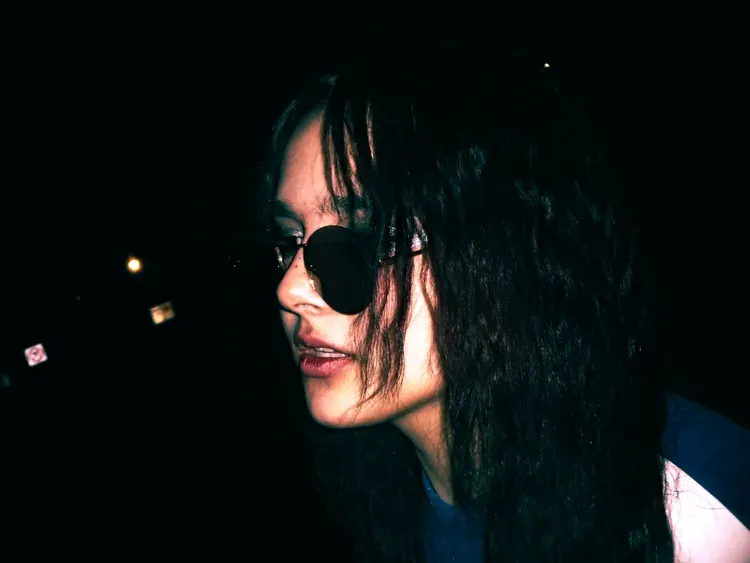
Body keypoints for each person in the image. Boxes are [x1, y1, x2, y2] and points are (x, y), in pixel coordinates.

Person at [255, 42, 750, 562]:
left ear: (505, 252)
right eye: (290, 240)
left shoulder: (707, 507)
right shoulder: (377, 503)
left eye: (370, 237)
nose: (290, 289)